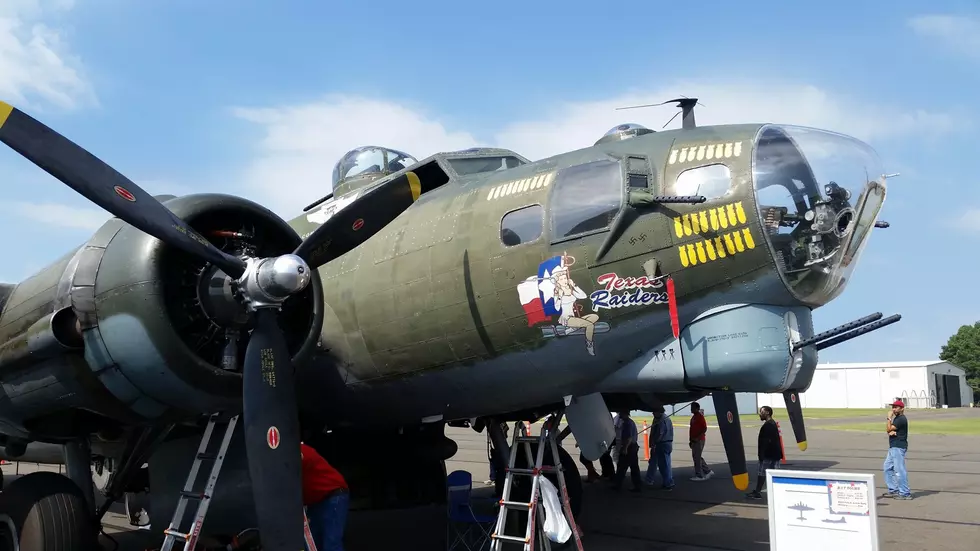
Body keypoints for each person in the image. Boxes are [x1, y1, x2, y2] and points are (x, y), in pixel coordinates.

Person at [302, 442, 350, 551]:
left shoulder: (296, 451)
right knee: (313, 542)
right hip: (316, 500)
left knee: (331, 542)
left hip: (332, 494)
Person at [746, 406, 782, 499]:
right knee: (774, 474)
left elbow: (765, 442)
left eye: (761, 412)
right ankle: (776, 492)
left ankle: (757, 492)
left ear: (767, 413)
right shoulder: (772, 424)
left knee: (761, 473)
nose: (759, 414)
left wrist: (761, 455)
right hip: (775, 454)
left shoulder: (768, 426)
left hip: (768, 455)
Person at [883, 399, 912, 500]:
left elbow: (888, 428)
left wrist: (888, 418)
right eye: (893, 407)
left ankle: (905, 493)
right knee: (887, 467)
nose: (894, 409)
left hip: (898, 447)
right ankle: (894, 489)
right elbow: (889, 430)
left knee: (899, 470)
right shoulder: (897, 419)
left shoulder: (901, 419)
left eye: (896, 407)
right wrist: (891, 431)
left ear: (902, 409)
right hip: (893, 446)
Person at [612, 410, 642, 492]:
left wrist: (625, 448)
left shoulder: (627, 423)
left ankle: (617, 485)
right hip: (633, 447)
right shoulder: (630, 422)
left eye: (620, 413)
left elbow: (628, 438)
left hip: (629, 447)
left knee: (621, 467)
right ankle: (637, 485)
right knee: (634, 467)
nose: (619, 414)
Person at [644, 409, 675, 490]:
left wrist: (654, 444)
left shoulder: (662, 420)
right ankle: (650, 479)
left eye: (654, 411)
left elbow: (660, 434)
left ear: (659, 411)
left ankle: (668, 484)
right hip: (664, 443)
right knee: (657, 462)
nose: (652, 413)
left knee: (664, 465)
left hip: (662, 444)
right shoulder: (661, 418)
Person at [689, 402, 714, 481]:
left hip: (699, 440)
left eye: (692, 407)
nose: (691, 409)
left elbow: (704, 428)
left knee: (697, 457)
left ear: (697, 408)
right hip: (694, 440)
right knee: (697, 456)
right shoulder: (694, 417)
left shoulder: (700, 417)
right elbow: (692, 429)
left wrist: (697, 438)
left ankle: (699, 475)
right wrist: (691, 440)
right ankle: (708, 471)